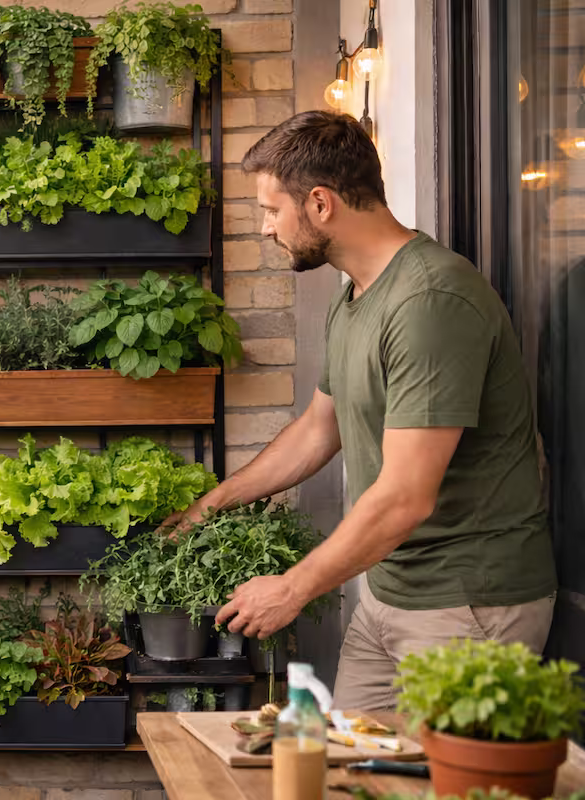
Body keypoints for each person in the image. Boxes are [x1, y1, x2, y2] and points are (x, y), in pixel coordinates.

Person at [156, 110, 557, 711]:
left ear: (320, 204)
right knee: (343, 775)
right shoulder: (357, 297)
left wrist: (291, 589)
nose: (266, 229)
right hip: (390, 593)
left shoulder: (429, 301)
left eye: (271, 210)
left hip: (466, 604)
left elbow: (405, 495)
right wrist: (205, 508)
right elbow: (321, 428)